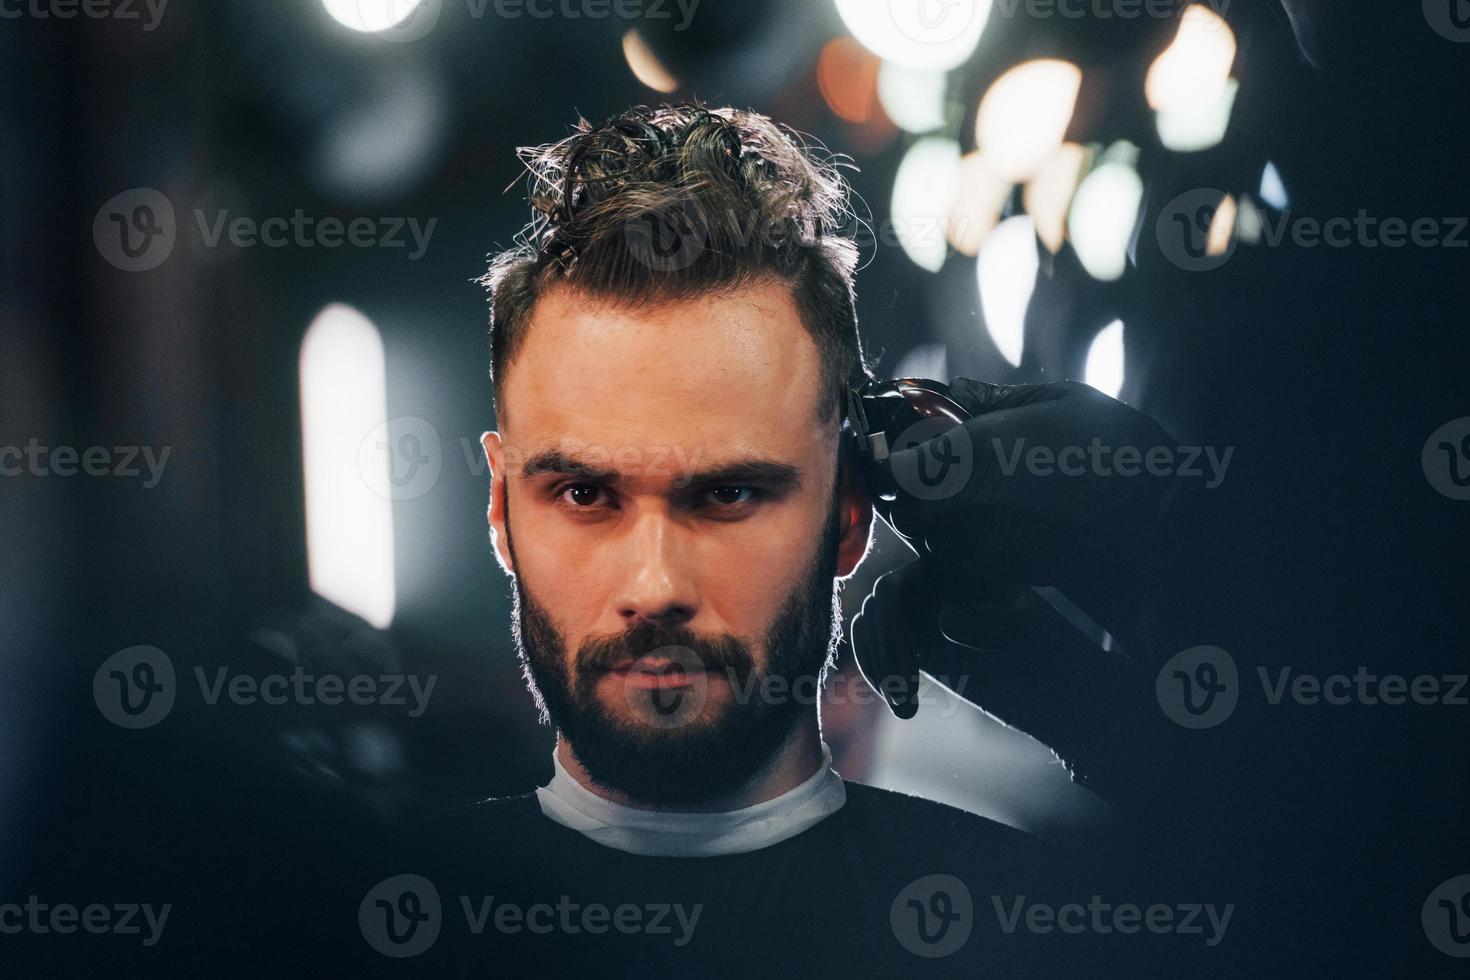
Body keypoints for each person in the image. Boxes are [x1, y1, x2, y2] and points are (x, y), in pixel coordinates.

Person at [350, 102, 1215, 977]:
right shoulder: (345, 933)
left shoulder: (1044, 939)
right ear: (501, 509)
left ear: (847, 512)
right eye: (584, 493)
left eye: (728, 493)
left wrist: (1227, 754)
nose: (653, 586)